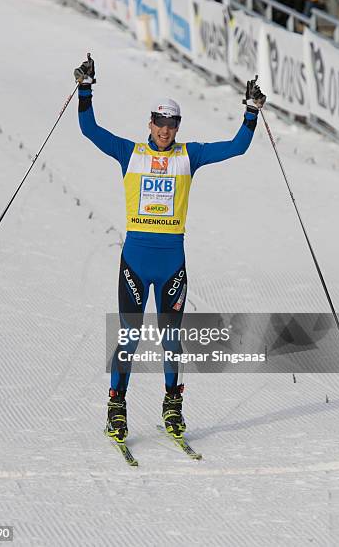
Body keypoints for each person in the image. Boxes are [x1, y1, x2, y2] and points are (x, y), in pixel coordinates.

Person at [74, 55, 266, 444]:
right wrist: (85, 88)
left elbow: (237, 148)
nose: (164, 130)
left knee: (171, 339)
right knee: (129, 336)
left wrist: (250, 112)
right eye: (159, 123)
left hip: (171, 263)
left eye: (171, 124)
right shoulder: (130, 153)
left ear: (178, 127)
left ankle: (172, 404)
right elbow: (89, 129)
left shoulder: (188, 156)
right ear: (150, 124)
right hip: (136, 262)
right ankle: (116, 404)